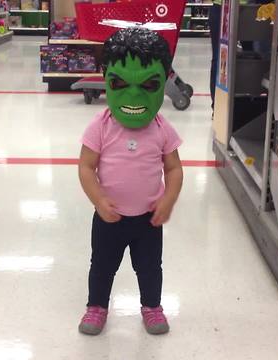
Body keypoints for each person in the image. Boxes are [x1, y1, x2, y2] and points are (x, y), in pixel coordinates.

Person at [77, 28, 184, 336]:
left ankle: (152, 307)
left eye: (149, 84)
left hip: (149, 220)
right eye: (120, 84)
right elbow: (86, 166)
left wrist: (169, 199)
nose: (134, 96)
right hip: (109, 217)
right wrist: (98, 199)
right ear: (106, 80)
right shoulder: (100, 126)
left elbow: (174, 169)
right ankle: (96, 307)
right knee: (102, 266)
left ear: (163, 82)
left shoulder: (162, 128)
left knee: (150, 268)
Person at [209, 0, 222, 111]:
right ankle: (217, 106)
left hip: (250, 9)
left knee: (252, 58)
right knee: (219, 59)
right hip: (221, 8)